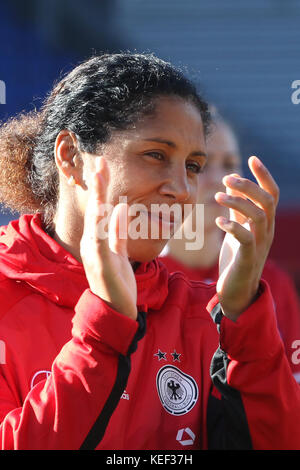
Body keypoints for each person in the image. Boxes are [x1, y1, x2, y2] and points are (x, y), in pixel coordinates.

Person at [0, 53, 299, 450]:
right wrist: (104, 327)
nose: (182, 188)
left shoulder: (200, 311)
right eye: (156, 155)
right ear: (71, 157)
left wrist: (244, 319)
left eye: (193, 165)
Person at [160, 108, 300, 384]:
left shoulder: (270, 282)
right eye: (200, 164)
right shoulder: (143, 279)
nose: (218, 180)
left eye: (228, 164)